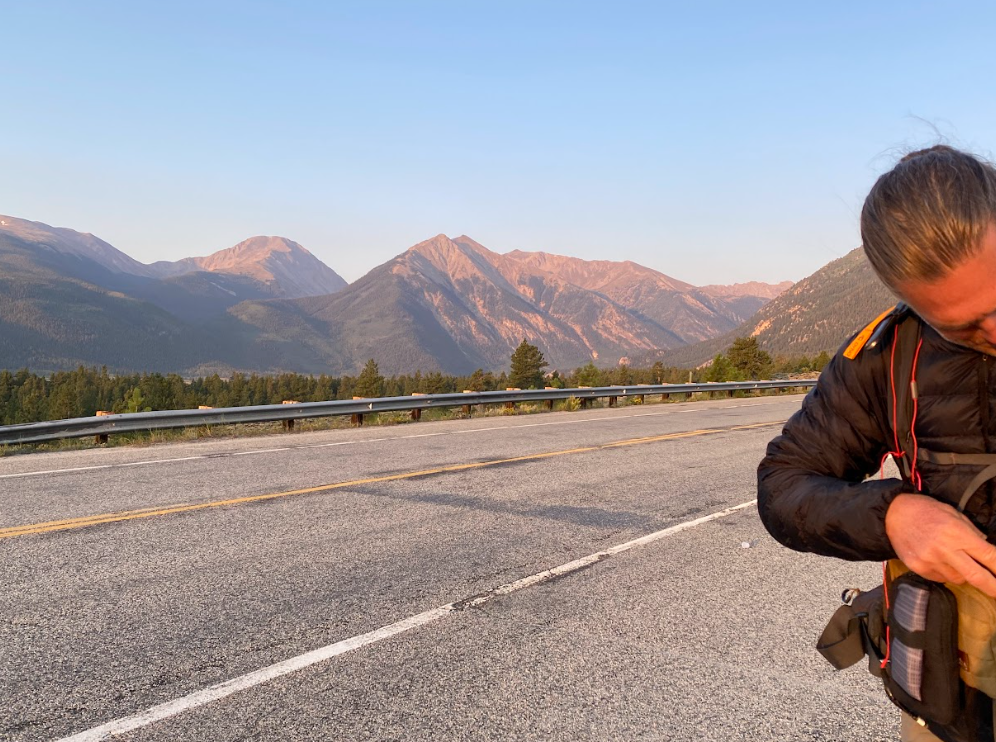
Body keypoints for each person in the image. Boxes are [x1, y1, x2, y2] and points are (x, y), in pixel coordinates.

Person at [758, 144, 996, 742]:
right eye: (965, 326)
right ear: (910, 302)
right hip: (953, 706)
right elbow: (785, 485)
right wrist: (893, 516)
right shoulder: (886, 358)